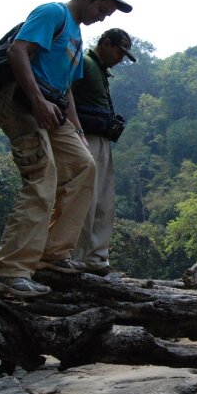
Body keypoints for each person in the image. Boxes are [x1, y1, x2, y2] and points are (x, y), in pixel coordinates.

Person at [0, 0, 133, 298]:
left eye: (108, 14)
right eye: (102, 9)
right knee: (43, 177)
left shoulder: (76, 36)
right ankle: (8, 272)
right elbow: (18, 51)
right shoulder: (53, 13)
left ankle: (53, 254)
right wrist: (36, 98)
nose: (103, 17)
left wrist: (76, 130)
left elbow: (67, 91)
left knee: (83, 165)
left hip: (54, 108)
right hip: (22, 102)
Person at [70, 28, 136, 276]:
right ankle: (77, 256)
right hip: (85, 136)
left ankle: (96, 257)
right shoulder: (85, 63)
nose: (120, 58)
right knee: (86, 199)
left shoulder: (99, 69)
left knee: (103, 200)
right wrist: (76, 132)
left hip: (101, 137)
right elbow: (67, 96)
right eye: (119, 51)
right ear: (105, 43)